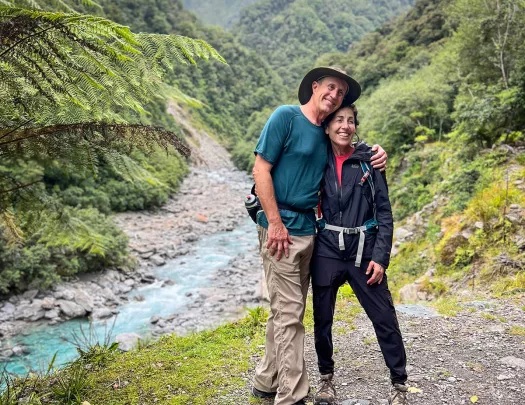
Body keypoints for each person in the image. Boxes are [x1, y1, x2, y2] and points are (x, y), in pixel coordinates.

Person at [251, 67, 387, 405]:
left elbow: (349, 147)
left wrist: (378, 153)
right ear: (315, 87)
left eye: (341, 92)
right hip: (279, 230)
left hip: (308, 232)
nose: (334, 95)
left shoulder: (326, 133)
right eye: (330, 87)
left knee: (283, 312)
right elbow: (260, 169)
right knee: (290, 315)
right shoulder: (286, 117)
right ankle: (293, 396)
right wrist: (275, 223)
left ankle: (265, 382)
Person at [311, 101, 408, 405]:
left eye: (350, 121)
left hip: (364, 251)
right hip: (326, 248)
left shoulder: (369, 161)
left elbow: (384, 212)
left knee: (384, 316)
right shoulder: (316, 159)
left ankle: (399, 383)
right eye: (338, 120)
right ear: (327, 126)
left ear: (355, 126)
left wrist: (381, 257)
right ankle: (326, 379)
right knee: (322, 317)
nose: (344, 126)